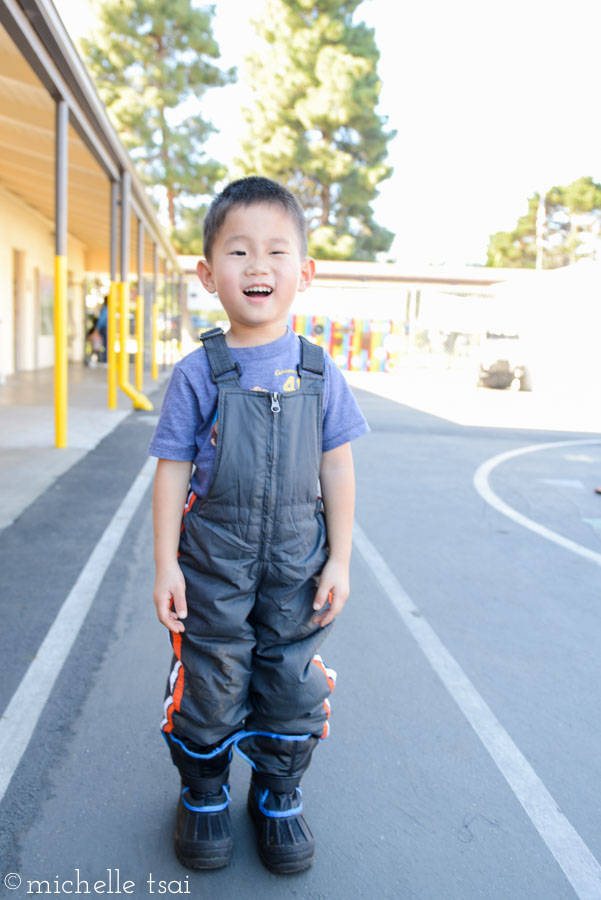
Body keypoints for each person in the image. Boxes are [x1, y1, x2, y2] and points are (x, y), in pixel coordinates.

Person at [149, 176, 369, 874]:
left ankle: (277, 794)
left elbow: (337, 469)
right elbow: (170, 472)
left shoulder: (319, 371)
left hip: (297, 565)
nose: (256, 266)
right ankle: (205, 793)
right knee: (211, 680)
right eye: (238, 251)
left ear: (302, 272)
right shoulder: (196, 373)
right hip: (213, 563)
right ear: (206, 272)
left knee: (290, 680)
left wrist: (338, 560)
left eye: (275, 252)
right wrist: (165, 565)